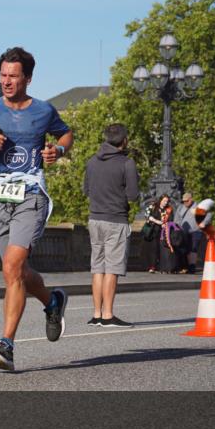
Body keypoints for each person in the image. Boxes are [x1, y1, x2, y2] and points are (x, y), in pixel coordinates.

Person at [0, 46, 73, 371]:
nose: (7, 81)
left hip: (31, 196)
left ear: (28, 79)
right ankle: (52, 302)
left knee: (12, 266)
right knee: (15, 272)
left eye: (13, 76)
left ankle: (6, 344)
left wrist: (58, 153)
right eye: (3, 75)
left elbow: (66, 136)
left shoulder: (43, 111)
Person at [83, 123, 139, 328]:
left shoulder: (91, 162)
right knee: (112, 269)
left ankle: (96, 314)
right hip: (116, 220)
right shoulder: (127, 163)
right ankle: (108, 315)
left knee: (97, 267)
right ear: (124, 141)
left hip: (94, 219)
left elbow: (86, 190)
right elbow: (133, 195)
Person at [177, 193, 211, 274]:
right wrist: (177, 226)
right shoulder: (181, 207)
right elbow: (177, 218)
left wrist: (204, 223)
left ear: (191, 199)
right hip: (184, 231)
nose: (185, 203)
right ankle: (186, 266)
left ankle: (192, 267)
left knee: (193, 248)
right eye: (184, 201)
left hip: (195, 231)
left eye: (187, 201)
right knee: (186, 249)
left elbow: (208, 215)